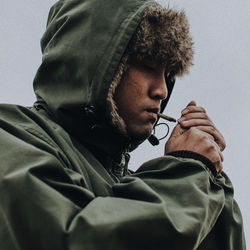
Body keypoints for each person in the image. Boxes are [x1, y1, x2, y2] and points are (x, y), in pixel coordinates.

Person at [0, 0, 245, 249]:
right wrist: (183, 175)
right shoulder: (11, 138)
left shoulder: (135, 185)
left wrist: (208, 179)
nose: (162, 90)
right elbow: (72, 240)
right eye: (148, 67)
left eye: (169, 75)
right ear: (94, 63)